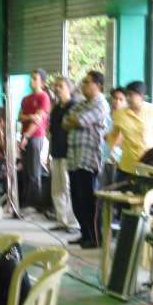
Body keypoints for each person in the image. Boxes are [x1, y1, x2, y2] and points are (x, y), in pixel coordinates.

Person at [64, 71, 110, 249]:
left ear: (98, 85)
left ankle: (94, 238)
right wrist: (74, 120)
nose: (83, 85)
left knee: (88, 200)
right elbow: (65, 121)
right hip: (74, 157)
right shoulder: (82, 103)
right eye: (83, 82)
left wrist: (75, 120)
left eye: (87, 82)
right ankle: (84, 234)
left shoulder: (101, 104)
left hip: (88, 158)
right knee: (76, 199)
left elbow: (80, 121)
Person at [106, 81, 153, 182]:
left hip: (149, 164)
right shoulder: (119, 114)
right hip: (127, 165)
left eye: (131, 95)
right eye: (127, 95)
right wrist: (112, 153)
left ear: (141, 96)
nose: (128, 98)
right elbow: (113, 135)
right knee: (120, 190)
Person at [18, 69, 52, 211]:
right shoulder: (25, 98)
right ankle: (26, 202)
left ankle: (35, 204)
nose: (31, 80)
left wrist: (27, 136)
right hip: (24, 136)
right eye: (31, 78)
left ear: (42, 82)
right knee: (25, 171)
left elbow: (38, 120)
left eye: (35, 78)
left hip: (35, 137)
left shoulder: (44, 97)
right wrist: (30, 117)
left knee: (34, 172)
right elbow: (20, 117)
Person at [48, 77, 78, 232]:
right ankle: (61, 220)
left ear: (70, 89)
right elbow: (52, 132)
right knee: (57, 189)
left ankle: (73, 223)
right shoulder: (55, 108)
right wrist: (49, 153)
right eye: (56, 86)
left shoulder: (75, 106)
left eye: (61, 86)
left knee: (69, 188)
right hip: (56, 152)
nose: (57, 88)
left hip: (69, 153)